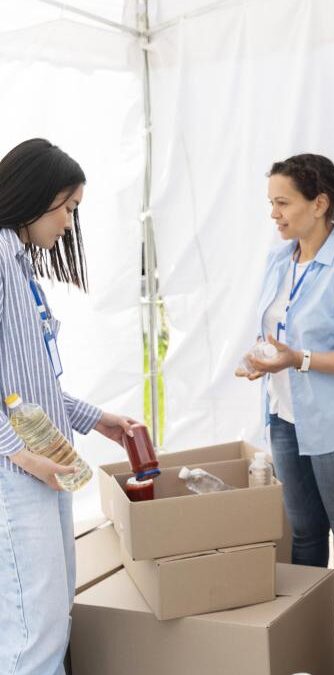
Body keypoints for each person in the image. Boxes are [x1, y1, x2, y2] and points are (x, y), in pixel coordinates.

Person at [0, 138, 141, 674]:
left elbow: (24, 386)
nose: (68, 224)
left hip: (40, 467)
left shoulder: (17, 264)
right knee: (34, 633)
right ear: (34, 195)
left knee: (49, 618)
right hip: (17, 473)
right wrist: (22, 455)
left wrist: (94, 418)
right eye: (67, 208)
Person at [240, 153, 334, 568]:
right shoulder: (278, 260)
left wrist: (297, 360)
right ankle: (309, 630)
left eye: (282, 203)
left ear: (319, 204)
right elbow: (277, 328)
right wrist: (260, 358)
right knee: (304, 533)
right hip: (284, 417)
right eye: (271, 203)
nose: (273, 214)